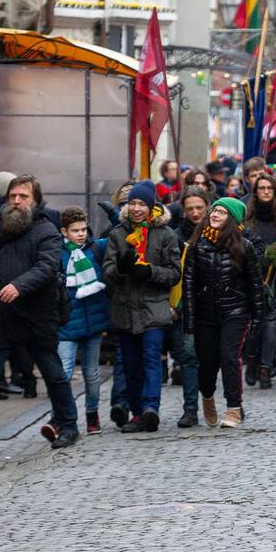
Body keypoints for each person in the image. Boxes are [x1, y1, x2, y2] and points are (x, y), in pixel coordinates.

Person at [0, 175, 80, 454]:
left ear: (35, 200)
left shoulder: (46, 229)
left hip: (37, 314)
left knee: (53, 373)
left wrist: (18, 285)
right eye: (13, 197)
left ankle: (68, 425)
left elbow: (46, 267)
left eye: (24, 197)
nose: (17, 201)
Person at [102, 180, 181, 434]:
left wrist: (149, 271)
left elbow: (174, 273)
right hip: (125, 310)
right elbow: (107, 273)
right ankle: (136, 412)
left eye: (142, 204)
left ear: (151, 206)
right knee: (131, 364)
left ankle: (150, 408)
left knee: (151, 360)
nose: (136, 208)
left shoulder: (166, 234)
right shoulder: (117, 234)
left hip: (153, 310)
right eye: (132, 203)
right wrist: (122, 270)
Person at [183, 197, 264, 428]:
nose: (215, 215)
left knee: (230, 357)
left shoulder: (244, 246)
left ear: (232, 219)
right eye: (214, 210)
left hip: (235, 311)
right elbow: (189, 284)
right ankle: (207, 397)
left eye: (222, 212)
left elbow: (255, 286)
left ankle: (233, 409)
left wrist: (257, 319)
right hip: (205, 314)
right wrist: (189, 323)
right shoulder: (197, 244)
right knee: (207, 364)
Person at [56, 206, 110, 437]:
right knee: (63, 373)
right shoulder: (58, 253)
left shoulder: (96, 248)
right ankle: (62, 418)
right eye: (75, 230)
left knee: (92, 373)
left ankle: (92, 414)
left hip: (93, 321)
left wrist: (118, 213)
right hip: (67, 322)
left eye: (83, 229)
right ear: (64, 231)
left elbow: (120, 233)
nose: (80, 234)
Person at [245, 173, 276, 387]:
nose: (265, 191)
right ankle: (252, 362)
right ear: (255, 191)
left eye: (269, 188)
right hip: (251, 277)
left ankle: (266, 367)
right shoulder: (247, 219)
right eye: (261, 188)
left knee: (271, 324)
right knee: (252, 325)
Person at [171, 187, 212, 427]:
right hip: (186, 304)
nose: (195, 213)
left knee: (214, 357)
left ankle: (225, 403)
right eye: (190, 209)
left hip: (214, 303)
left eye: (199, 207)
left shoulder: (218, 232)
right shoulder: (177, 236)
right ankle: (190, 408)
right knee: (188, 356)